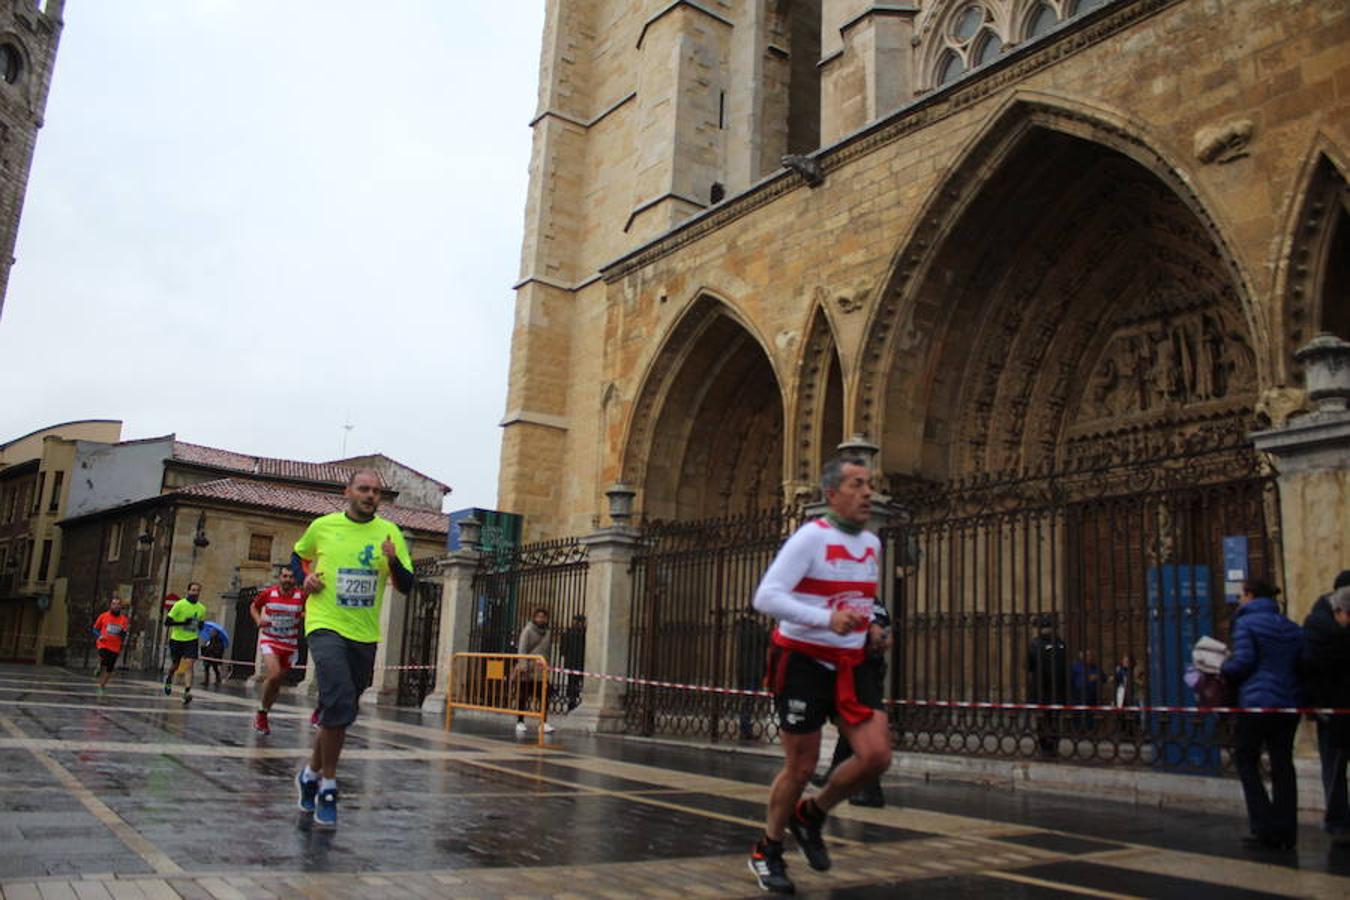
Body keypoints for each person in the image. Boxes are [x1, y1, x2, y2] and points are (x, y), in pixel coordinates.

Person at [748, 455, 889, 895]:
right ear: (832, 494)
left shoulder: (872, 545)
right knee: (802, 766)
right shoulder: (809, 539)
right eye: (856, 485)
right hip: (804, 662)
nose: (868, 492)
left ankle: (812, 813)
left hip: (851, 663)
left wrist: (876, 627)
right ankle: (767, 849)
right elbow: (766, 597)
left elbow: (865, 600)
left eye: (869, 484)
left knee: (876, 756)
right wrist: (825, 620)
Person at [292, 468, 413, 829]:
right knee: (340, 698)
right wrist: (305, 579)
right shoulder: (323, 526)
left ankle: (309, 774)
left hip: (364, 633)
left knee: (340, 709)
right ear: (348, 492)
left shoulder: (390, 534)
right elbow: (297, 558)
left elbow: (406, 585)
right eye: (364, 489)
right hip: (324, 623)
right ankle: (329, 785)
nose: (371, 495)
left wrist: (392, 560)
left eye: (376, 491)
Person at [1221, 578, 1303, 851]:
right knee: (1283, 765)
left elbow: (1244, 662)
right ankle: (1286, 830)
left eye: (1242, 595)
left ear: (1250, 595)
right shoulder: (1290, 626)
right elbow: (1303, 663)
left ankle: (1264, 825)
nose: (1239, 600)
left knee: (1246, 759)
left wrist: (1224, 667)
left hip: (1256, 703)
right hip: (1288, 706)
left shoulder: (1246, 623)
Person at [813, 597, 893, 808]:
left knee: (862, 727)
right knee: (850, 725)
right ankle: (835, 771)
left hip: (861, 668)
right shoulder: (872, 603)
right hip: (861, 668)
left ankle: (871, 791)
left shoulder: (861, 601)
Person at [1301, 572, 1350, 841]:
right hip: (1331, 709)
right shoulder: (1320, 625)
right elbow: (1310, 667)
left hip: (1337, 706)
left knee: (1334, 766)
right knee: (1334, 768)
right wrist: (1315, 704)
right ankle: (1338, 821)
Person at [250, 567, 307, 735]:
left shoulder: (301, 596)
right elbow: (253, 606)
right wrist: (259, 620)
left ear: (295, 579)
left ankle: (264, 712)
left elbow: (312, 609)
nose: (287, 579)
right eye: (284, 576)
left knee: (276, 684)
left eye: (291, 576)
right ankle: (261, 713)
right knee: (274, 674)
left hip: (289, 644)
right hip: (270, 640)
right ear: (279, 578)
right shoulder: (269, 593)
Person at [1026, 615, 1068, 757]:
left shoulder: (1035, 644)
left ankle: (1045, 746)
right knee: (1055, 718)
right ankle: (1054, 745)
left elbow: (1028, 666)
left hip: (1041, 690)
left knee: (1042, 719)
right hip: (1058, 690)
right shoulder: (1061, 644)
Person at [163, 583, 208, 706]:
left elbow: (202, 625)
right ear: (188, 591)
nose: (195, 592)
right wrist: (183, 623)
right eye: (193, 590)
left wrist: (198, 625)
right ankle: (169, 677)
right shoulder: (179, 605)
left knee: (189, 665)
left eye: (197, 590)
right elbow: (167, 622)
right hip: (177, 639)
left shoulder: (202, 608)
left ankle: (187, 691)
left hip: (191, 639)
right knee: (176, 665)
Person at [514, 607, 555, 734]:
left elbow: (548, 651)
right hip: (529, 670)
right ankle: (520, 721)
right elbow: (522, 649)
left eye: (543, 617)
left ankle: (543, 722)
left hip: (541, 670)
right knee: (523, 696)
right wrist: (523, 666)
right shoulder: (528, 630)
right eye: (538, 616)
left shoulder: (548, 633)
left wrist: (548, 666)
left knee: (544, 697)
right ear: (534, 617)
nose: (541, 619)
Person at [734, 609, 769, 740]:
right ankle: (745, 729)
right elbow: (768, 640)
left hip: (742, 669)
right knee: (749, 701)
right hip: (753, 670)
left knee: (745, 700)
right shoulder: (757, 630)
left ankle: (745, 726)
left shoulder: (741, 629)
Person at [92, 596, 131, 695]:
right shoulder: (103, 616)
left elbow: (124, 634)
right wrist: (99, 635)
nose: (116, 606)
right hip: (103, 643)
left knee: (109, 668)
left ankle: (102, 686)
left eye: (118, 604)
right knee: (103, 657)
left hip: (115, 647)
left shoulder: (123, 620)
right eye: (114, 604)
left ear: (120, 607)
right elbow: (95, 629)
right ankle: (99, 666)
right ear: (110, 605)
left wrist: (123, 632)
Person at [1069, 649, 1102, 733]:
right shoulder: (1075, 666)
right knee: (1078, 714)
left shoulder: (1095, 667)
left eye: (1090, 655)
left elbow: (1103, 677)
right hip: (1078, 694)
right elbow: (1070, 680)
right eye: (1086, 656)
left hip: (1091, 695)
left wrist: (1096, 677)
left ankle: (1089, 731)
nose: (1089, 658)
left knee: (1090, 714)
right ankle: (1078, 731)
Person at [560, 613, 587, 712]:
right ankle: (573, 701)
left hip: (573, 662)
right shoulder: (583, 634)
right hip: (578, 662)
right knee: (574, 683)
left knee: (573, 683)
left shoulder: (568, 633)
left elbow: (562, 650)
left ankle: (573, 701)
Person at [199, 622, 228, 688]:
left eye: (213, 632)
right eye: (211, 631)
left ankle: (218, 680)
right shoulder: (210, 639)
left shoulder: (219, 640)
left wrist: (213, 650)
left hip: (214, 656)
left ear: (216, 633)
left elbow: (219, 648)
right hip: (208, 656)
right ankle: (206, 680)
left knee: (215, 668)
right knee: (206, 668)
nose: (211, 633)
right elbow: (207, 646)